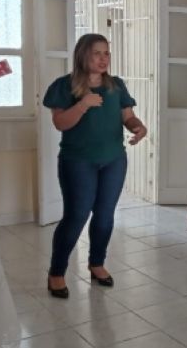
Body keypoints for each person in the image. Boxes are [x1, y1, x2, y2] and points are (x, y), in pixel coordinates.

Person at [43, 34, 147, 298]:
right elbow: (60, 123)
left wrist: (138, 127)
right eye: (97, 53)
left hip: (114, 160)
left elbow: (128, 116)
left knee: (105, 215)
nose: (103, 58)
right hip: (78, 161)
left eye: (106, 53)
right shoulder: (64, 86)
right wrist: (83, 105)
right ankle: (56, 272)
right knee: (76, 215)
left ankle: (97, 263)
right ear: (83, 55)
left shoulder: (116, 85)